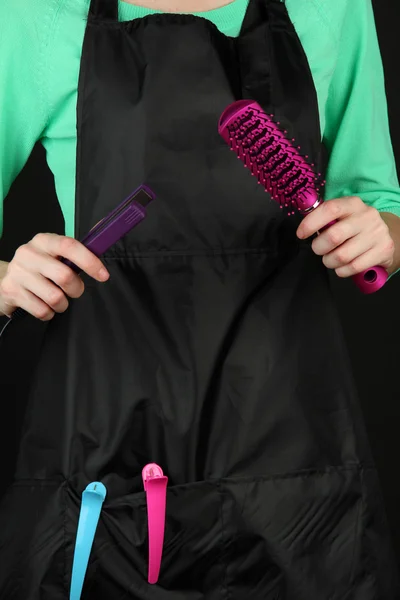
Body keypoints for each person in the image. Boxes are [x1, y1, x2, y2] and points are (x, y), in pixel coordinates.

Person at [0, 0, 400, 597]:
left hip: (293, 464)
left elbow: (379, 200)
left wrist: (384, 237)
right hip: (107, 450)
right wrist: (7, 279)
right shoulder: (36, 15)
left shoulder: (333, 8)